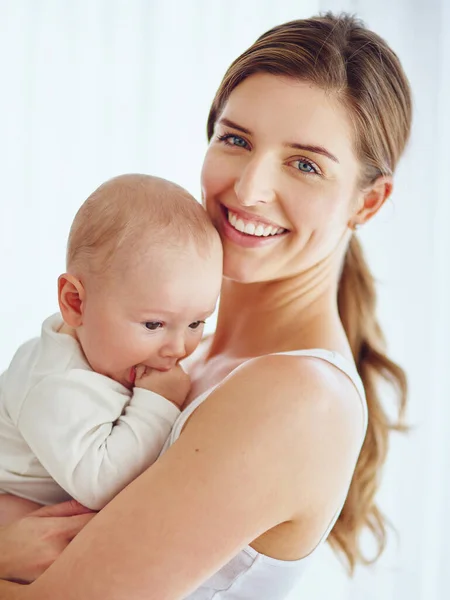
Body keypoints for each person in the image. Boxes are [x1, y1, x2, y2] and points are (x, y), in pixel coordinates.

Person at [0, 12, 410, 600]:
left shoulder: (296, 398)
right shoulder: (188, 345)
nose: (248, 189)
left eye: (305, 164)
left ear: (368, 204)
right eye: (236, 139)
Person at [0, 174, 222, 515]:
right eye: (153, 324)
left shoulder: (108, 352)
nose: (178, 348)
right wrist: (159, 403)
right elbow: (102, 487)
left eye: (196, 323)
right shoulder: (55, 385)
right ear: (75, 303)